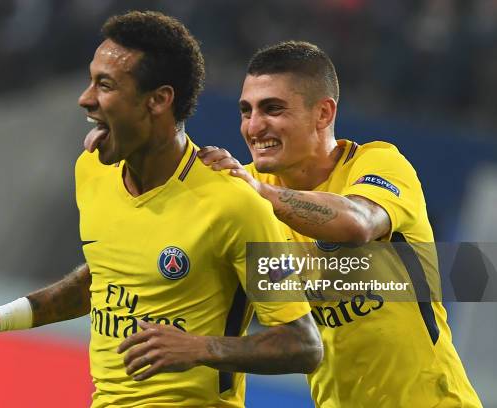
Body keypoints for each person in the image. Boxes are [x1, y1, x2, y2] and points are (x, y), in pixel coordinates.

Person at [0, 12, 322, 408]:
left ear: (159, 100)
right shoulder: (92, 171)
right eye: (90, 81)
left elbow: (302, 343)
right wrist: (0, 317)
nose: (85, 98)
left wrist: (202, 348)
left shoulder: (235, 204)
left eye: (105, 85)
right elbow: (105, 277)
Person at [198, 41, 482, 407]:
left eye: (273, 109)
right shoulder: (245, 193)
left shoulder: (379, 164)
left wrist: (255, 193)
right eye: (246, 110)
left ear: (322, 113)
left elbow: (356, 223)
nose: (254, 126)